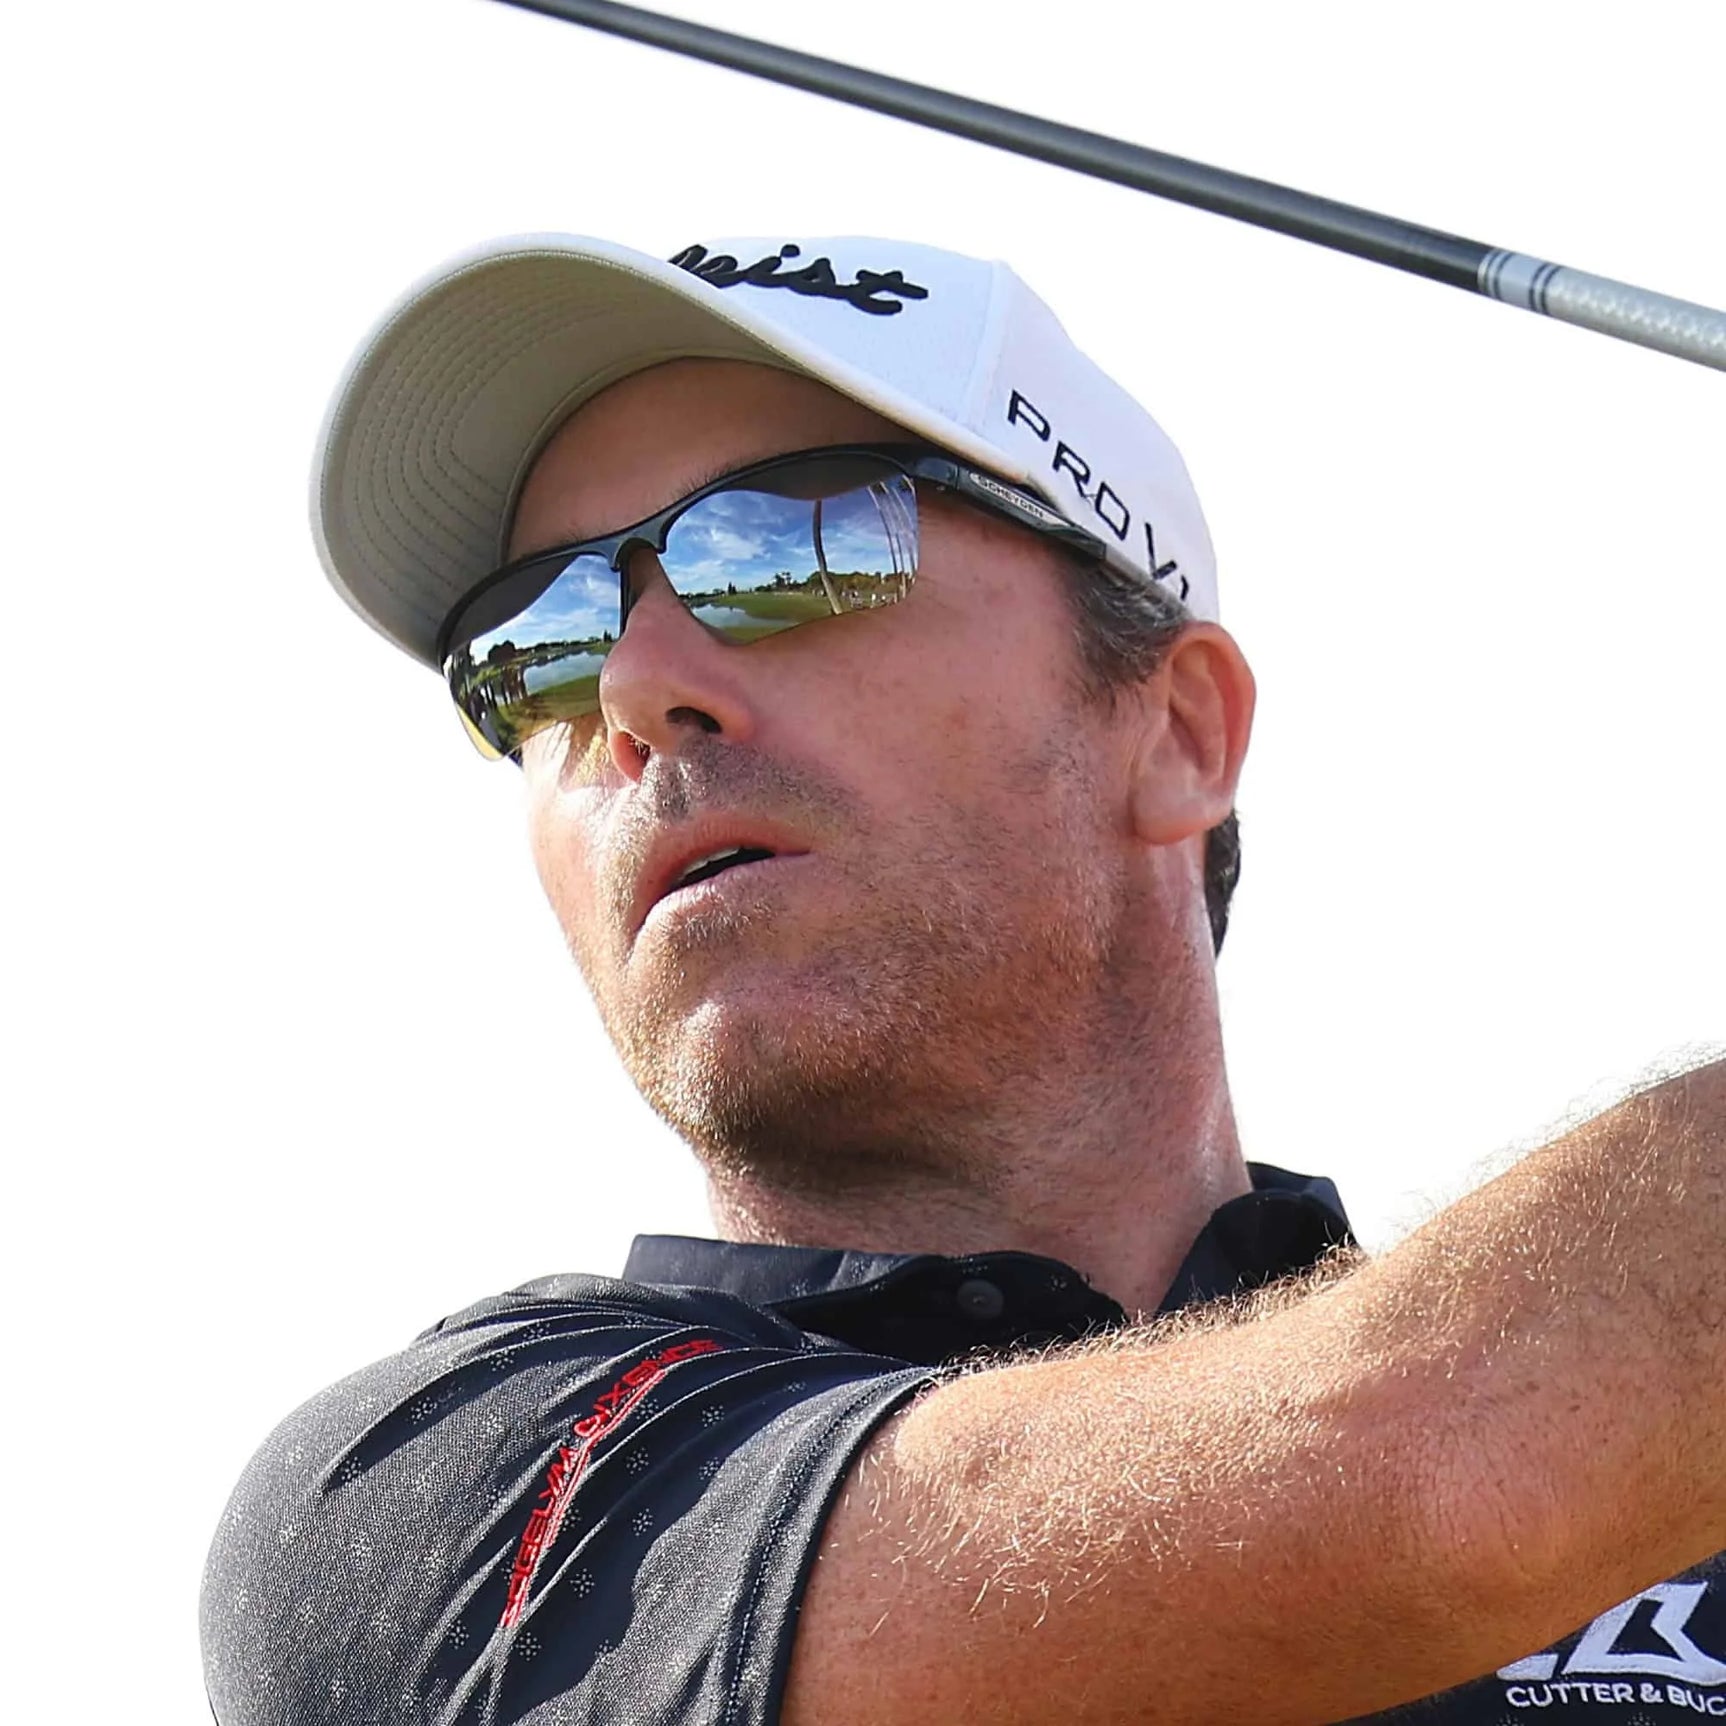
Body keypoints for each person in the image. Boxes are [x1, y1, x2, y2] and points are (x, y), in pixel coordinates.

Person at [201, 231, 1726, 1725]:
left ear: (1179, 727)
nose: (630, 687)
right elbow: (1418, 1478)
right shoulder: (437, 1507)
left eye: (787, 546)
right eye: (537, 636)